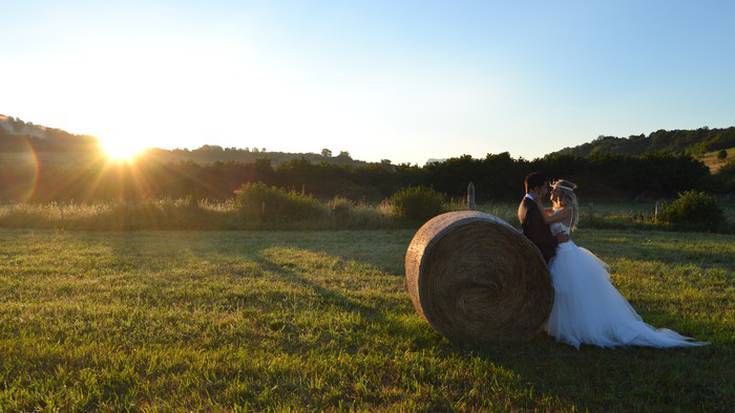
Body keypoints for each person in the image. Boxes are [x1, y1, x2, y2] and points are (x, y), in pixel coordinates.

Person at [540, 179, 708, 349]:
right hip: (561, 251)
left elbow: (545, 220)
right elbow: (544, 213)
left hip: (566, 252)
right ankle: (567, 323)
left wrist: (536, 203)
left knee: (570, 290)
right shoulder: (556, 210)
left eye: (553, 190)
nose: (550, 192)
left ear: (560, 193)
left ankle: (578, 327)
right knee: (566, 291)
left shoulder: (566, 210)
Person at [517, 172, 569, 264]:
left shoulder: (527, 203)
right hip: (542, 256)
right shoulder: (532, 209)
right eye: (545, 188)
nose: (547, 191)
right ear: (537, 189)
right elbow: (537, 237)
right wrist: (557, 239)